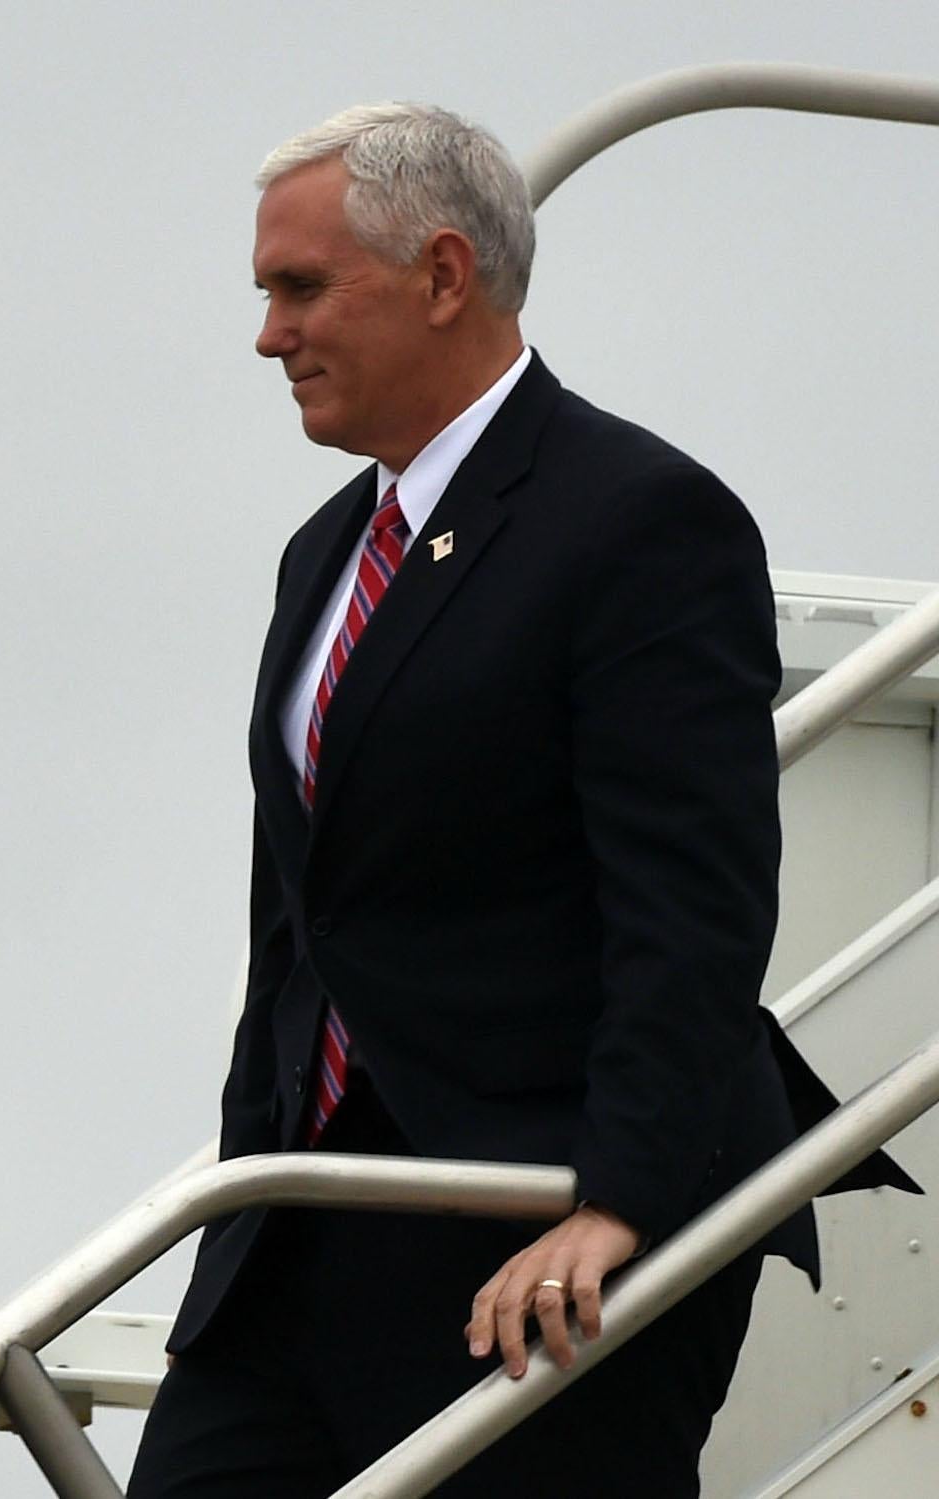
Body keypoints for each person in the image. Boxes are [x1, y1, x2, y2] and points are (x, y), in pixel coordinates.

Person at [127, 103, 911, 1498]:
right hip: (309, 1224)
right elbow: (303, 926)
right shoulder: (325, 555)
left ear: (442, 276)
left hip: (536, 1224)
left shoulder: (639, 519)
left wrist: (618, 1199)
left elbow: (695, 900)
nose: (268, 335)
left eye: (300, 288)